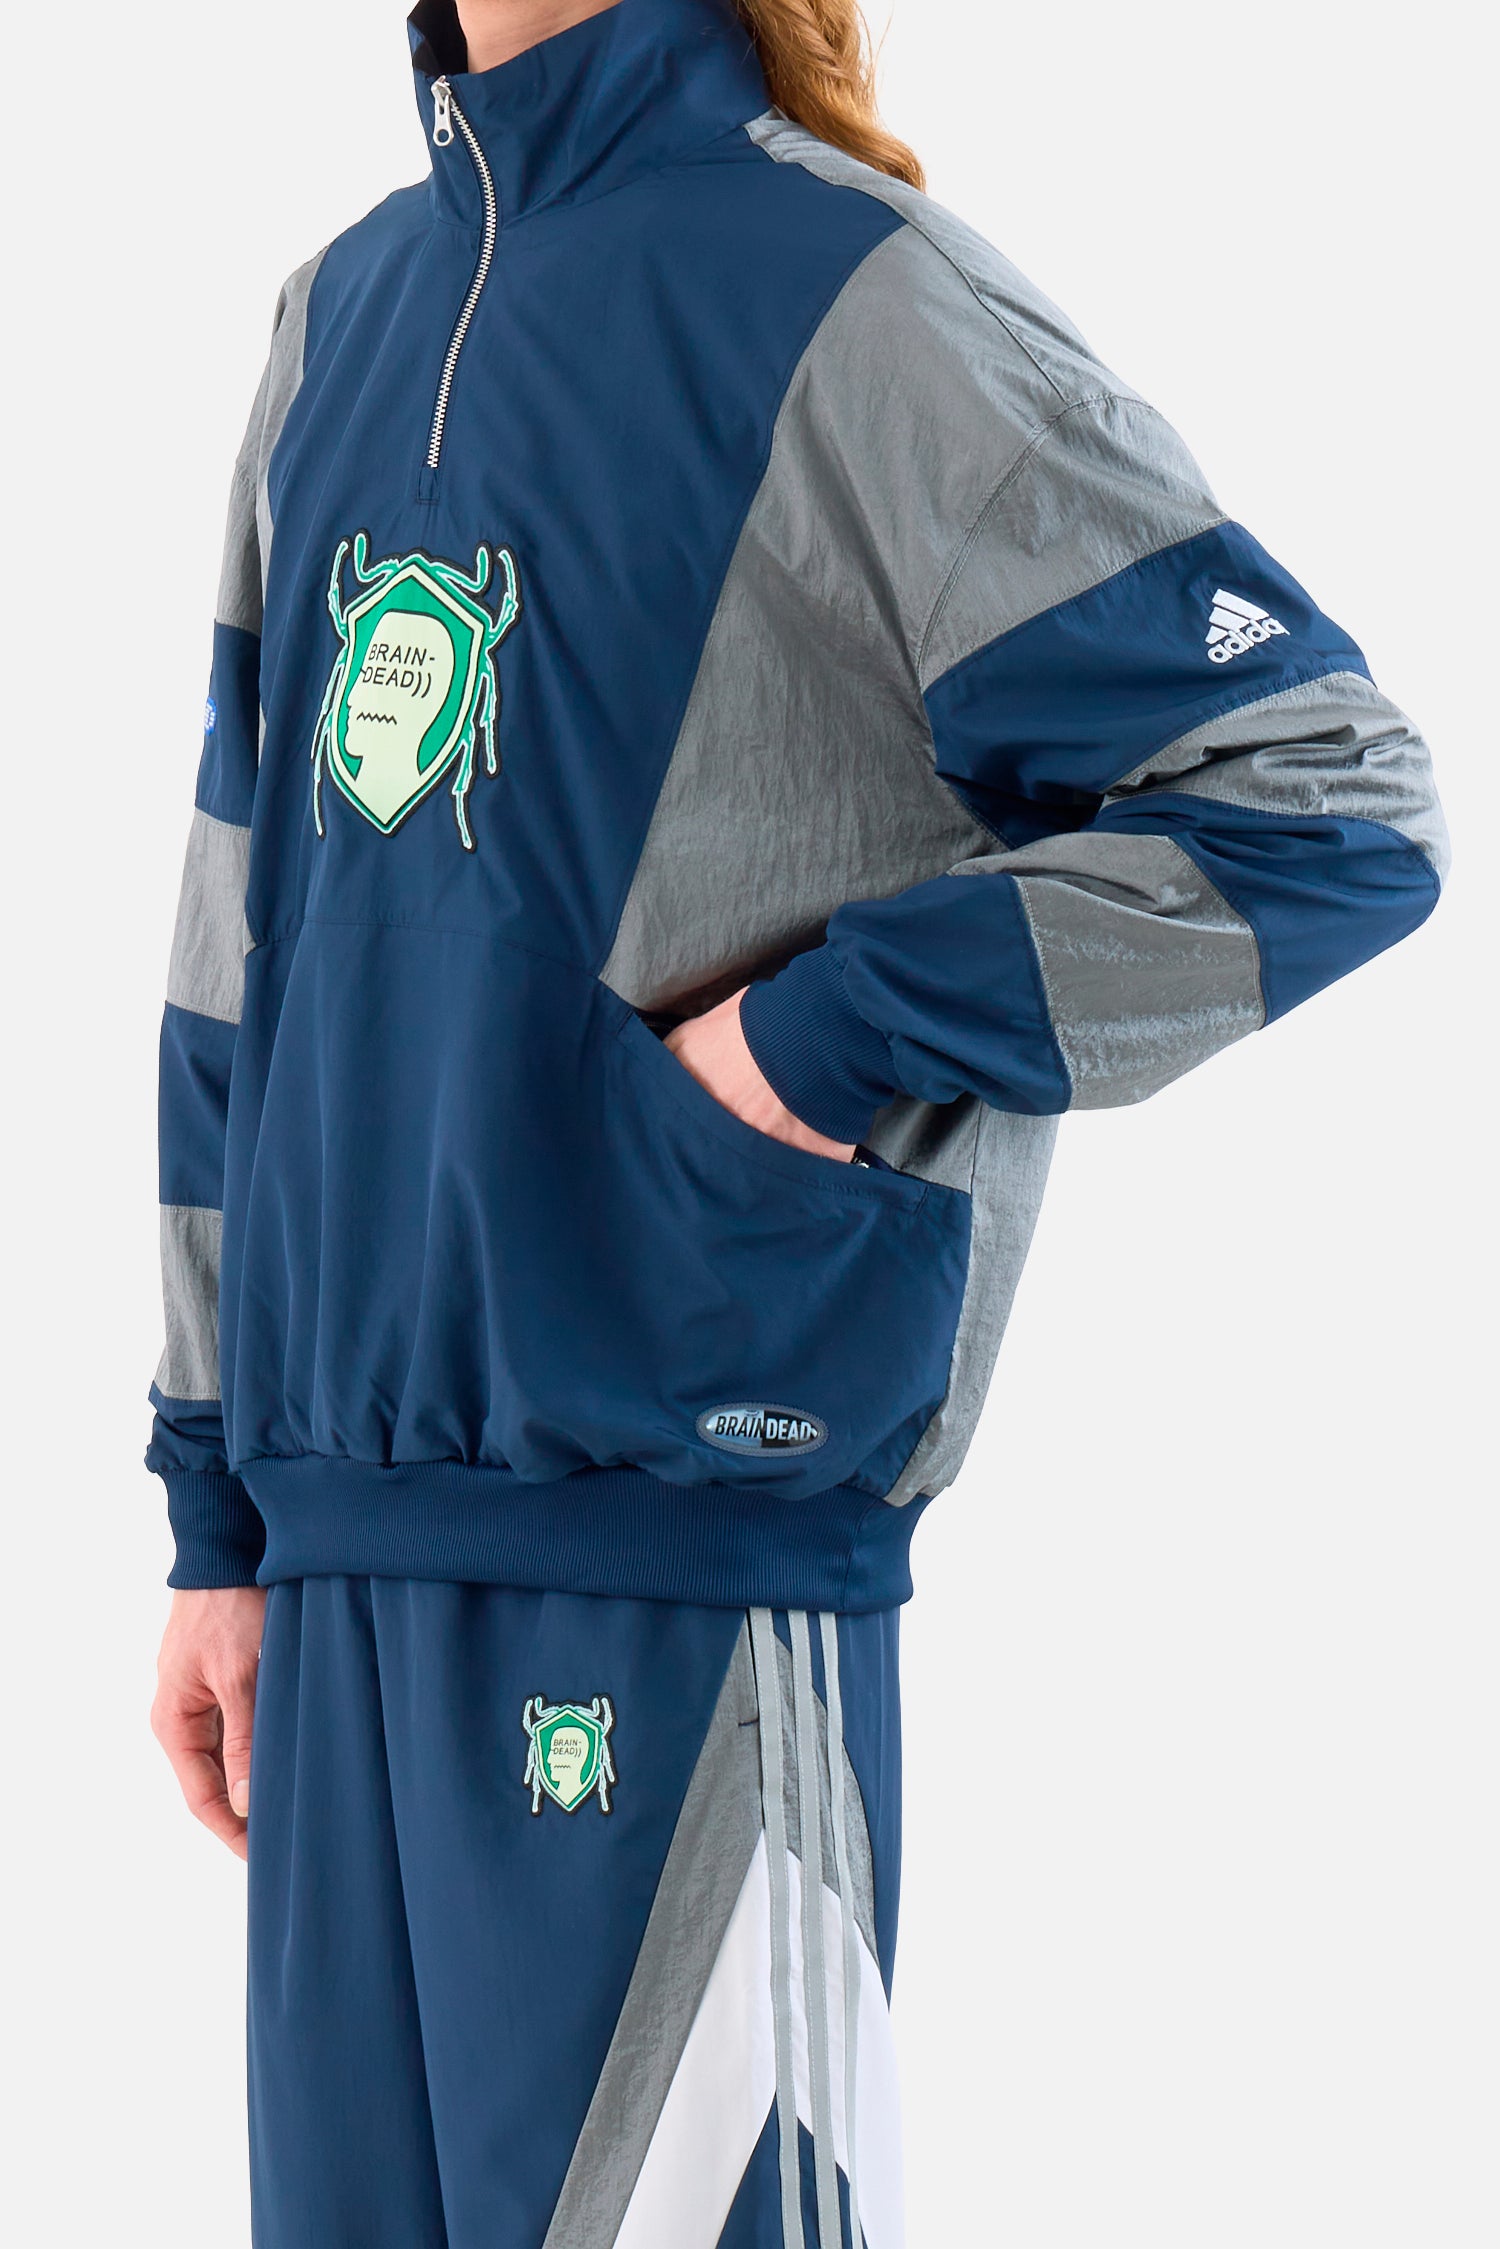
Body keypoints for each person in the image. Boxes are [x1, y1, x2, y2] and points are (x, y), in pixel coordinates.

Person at [145, 0, 1447, 2241]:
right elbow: (233, 944)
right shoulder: (340, 309)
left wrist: (814, 1045)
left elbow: (1331, 800)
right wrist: (216, 1510)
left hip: (683, 1548)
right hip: (338, 1571)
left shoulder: (856, 298)